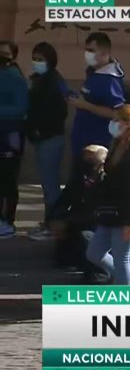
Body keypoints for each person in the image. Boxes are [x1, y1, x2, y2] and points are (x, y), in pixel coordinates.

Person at [87, 104, 130, 285]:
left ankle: (123, 295)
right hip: (114, 208)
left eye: (117, 120)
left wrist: (128, 223)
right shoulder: (118, 144)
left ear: (128, 123)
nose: (113, 123)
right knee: (94, 253)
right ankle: (127, 277)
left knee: (121, 257)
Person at [24, 41, 69, 241]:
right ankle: (49, 222)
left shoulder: (52, 81)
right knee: (47, 184)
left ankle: (53, 225)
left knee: (50, 185)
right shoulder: (41, 79)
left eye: (40, 59)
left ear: (50, 60)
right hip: (44, 137)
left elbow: (59, 111)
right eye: (34, 58)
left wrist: (39, 128)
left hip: (50, 138)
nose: (36, 62)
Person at [67, 33, 127, 174]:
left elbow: (117, 113)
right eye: (86, 49)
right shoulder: (94, 73)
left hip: (96, 145)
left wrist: (85, 105)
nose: (87, 54)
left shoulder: (110, 79)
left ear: (104, 52)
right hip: (82, 142)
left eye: (92, 50)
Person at [49, 145, 108, 283]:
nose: (85, 164)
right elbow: (66, 197)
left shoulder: (107, 180)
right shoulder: (79, 178)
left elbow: (102, 209)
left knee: (87, 235)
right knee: (63, 224)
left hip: (100, 220)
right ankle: (67, 260)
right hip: (81, 216)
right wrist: (55, 218)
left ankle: (97, 275)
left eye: (91, 161)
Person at [0, 40, 28, 238]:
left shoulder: (16, 78)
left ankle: (8, 221)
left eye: (5, 54)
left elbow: (20, 108)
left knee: (8, 180)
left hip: (11, 136)